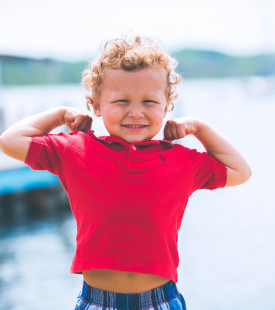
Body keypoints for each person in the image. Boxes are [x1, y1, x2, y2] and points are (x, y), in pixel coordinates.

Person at [0, 35, 251, 310]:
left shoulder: (181, 160)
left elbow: (240, 171)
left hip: (161, 300)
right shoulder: (75, 150)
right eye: (121, 101)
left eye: (149, 102)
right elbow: (10, 141)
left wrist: (200, 129)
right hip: (97, 301)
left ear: (167, 106)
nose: (135, 112)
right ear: (96, 105)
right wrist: (59, 115)